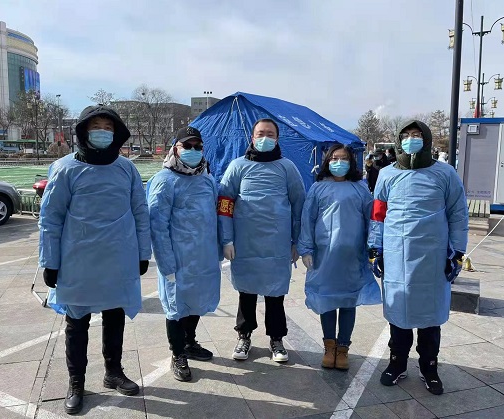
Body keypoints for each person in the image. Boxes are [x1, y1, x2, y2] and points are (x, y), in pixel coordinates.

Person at [39, 105, 151, 415]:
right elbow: (51, 217)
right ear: (83, 131)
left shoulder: (127, 169)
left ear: (117, 133)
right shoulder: (64, 168)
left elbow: (140, 212)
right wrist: (50, 261)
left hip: (118, 257)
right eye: (96, 126)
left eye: (108, 127)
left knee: (115, 315)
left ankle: (113, 372)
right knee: (77, 323)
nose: (102, 132)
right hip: (78, 259)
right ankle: (76, 382)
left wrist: (143, 253)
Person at [368, 120, 468, 396]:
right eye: (407, 135)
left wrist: (457, 253)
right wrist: (375, 248)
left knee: (429, 315)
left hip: (433, 257)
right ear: (398, 141)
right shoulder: (387, 174)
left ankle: (429, 367)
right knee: (398, 312)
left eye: (417, 134)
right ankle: (397, 363)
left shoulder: (445, 174)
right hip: (397, 255)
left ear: (426, 139)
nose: (412, 139)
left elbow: (458, 215)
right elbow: (378, 215)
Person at [218, 118, 306, 362]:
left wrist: (298, 241)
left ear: (277, 139)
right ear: (252, 137)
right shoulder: (237, 166)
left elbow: (299, 204)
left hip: (277, 243)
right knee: (246, 292)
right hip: (245, 242)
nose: (264, 138)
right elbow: (225, 203)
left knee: (275, 294)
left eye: (270, 134)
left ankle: (277, 339)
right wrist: (227, 239)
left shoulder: (287, 167)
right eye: (260, 133)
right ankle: (244, 336)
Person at [146, 126, 221, 382]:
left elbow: (214, 217)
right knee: (175, 307)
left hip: (203, 256)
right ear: (175, 149)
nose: (192, 150)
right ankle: (177, 353)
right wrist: (165, 262)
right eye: (186, 146)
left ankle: (189, 342)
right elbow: (157, 226)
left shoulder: (207, 180)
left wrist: (219, 247)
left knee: (196, 301)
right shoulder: (164, 181)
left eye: (197, 147)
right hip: (177, 257)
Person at [298, 144, 381, 370]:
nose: (339, 162)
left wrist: (373, 248)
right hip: (324, 255)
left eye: (343, 158)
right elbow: (308, 220)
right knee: (326, 300)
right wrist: (306, 249)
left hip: (352, 256)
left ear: (351, 162)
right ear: (327, 161)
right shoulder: (318, 188)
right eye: (334, 158)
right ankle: (329, 347)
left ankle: (343, 348)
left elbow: (371, 220)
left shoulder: (360, 189)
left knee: (347, 302)